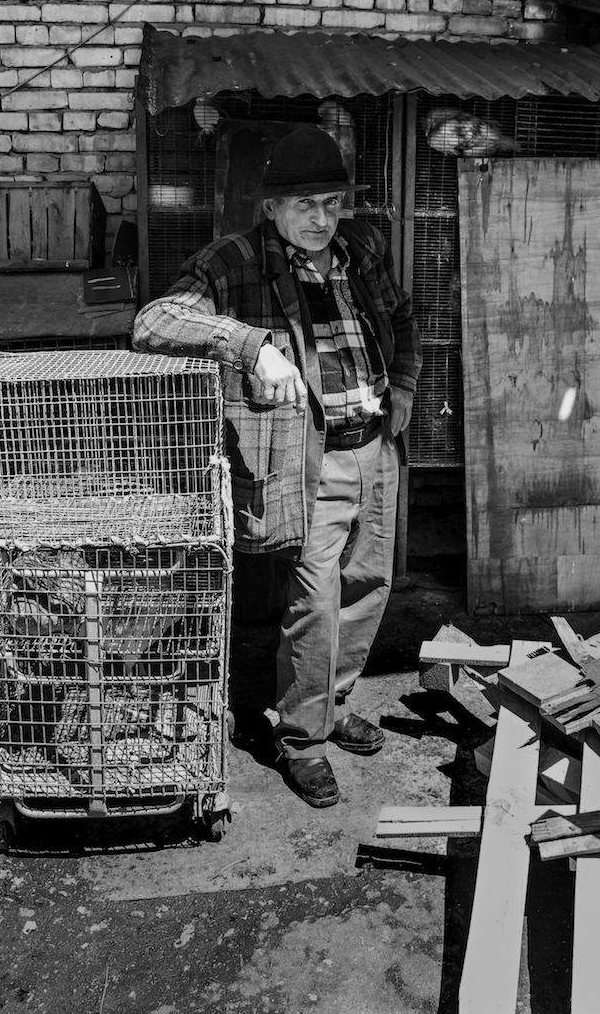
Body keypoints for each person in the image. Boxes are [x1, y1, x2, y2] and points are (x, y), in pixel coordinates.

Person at [132, 125, 422, 808]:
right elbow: (153, 322)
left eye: (331, 202)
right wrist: (248, 343)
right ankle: (301, 738)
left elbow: (404, 318)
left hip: (376, 445)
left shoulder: (359, 252)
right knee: (315, 602)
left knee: (368, 583)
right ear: (271, 207)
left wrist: (404, 387)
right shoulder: (235, 262)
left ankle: (332, 702)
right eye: (304, 206)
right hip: (308, 459)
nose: (321, 219)